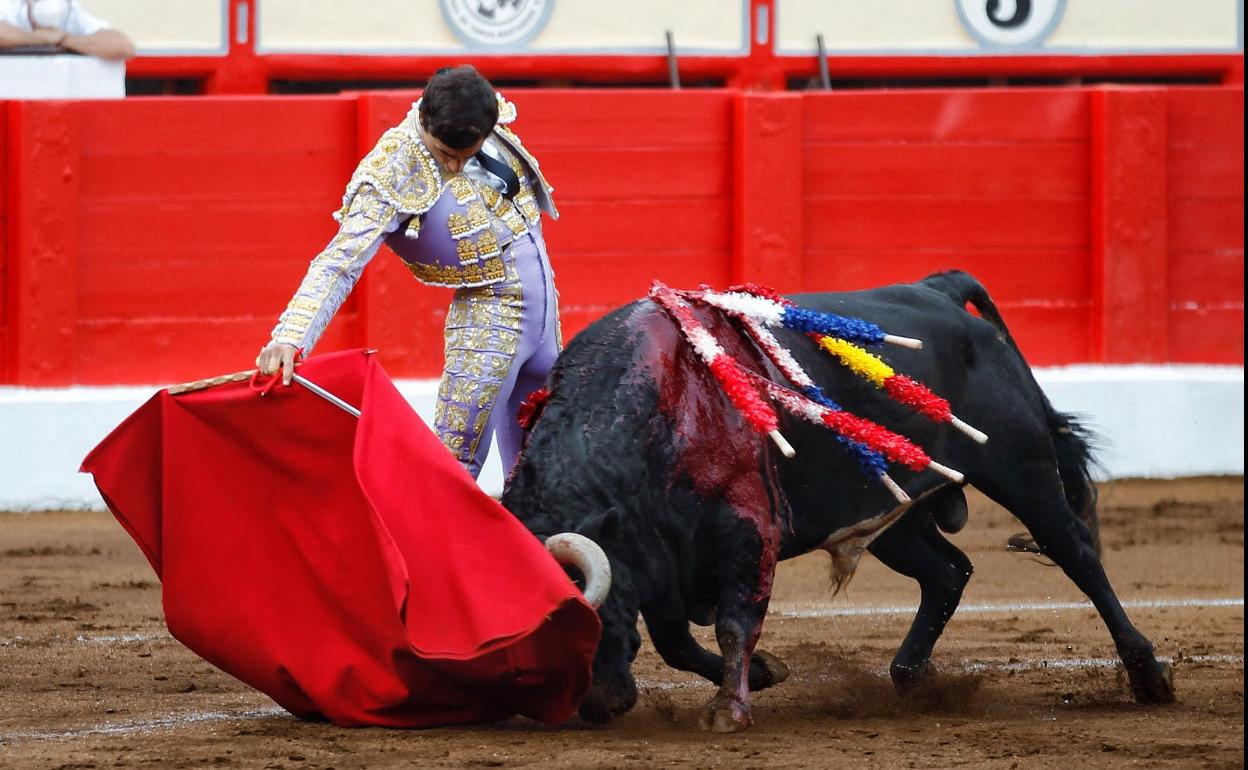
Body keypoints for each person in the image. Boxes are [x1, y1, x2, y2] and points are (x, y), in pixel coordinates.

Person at [256, 65, 562, 480]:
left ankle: (529, 547)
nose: (454, 167)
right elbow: (340, 261)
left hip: (547, 318)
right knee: (453, 465)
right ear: (423, 121)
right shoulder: (393, 168)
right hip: (488, 321)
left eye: (465, 155)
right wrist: (290, 336)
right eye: (444, 154)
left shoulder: (482, 117)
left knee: (544, 470)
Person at [0, 0, 134, 60]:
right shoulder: (10, 6)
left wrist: (64, 39)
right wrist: (43, 38)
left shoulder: (69, 10)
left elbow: (123, 47)